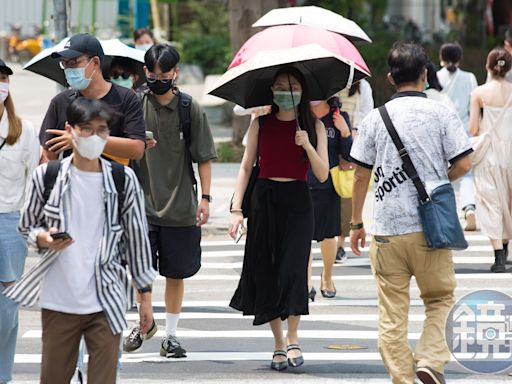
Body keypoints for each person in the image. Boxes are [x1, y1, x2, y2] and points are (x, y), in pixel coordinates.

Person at [3, 97, 156, 384]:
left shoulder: (123, 181)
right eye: (87, 129)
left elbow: (137, 243)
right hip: (59, 299)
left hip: (106, 298)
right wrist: (44, 238)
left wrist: (144, 298)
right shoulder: (47, 177)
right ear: (70, 130)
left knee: (103, 379)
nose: (95, 137)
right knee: (53, 378)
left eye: (102, 130)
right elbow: (27, 225)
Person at [350, 42, 472, 384]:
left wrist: (356, 222)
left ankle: (403, 379)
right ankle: (431, 361)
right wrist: (438, 181)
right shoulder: (442, 112)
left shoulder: (375, 118)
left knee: (392, 315)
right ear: (424, 75)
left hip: (387, 231)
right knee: (440, 298)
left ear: (390, 78)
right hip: (431, 229)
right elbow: (464, 162)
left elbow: (360, 173)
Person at [229, 66, 328, 371]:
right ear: (271, 91)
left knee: (294, 269)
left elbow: (323, 174)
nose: (288, 92)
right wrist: (236, 209)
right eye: (281, 86)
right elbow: (247, 166)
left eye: (294, 86)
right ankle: (278, 344)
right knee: (267, 269)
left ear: (303, 91)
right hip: (264, 200)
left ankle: (294, 334)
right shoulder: (260, 123)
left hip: (298, 200)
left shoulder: (314, 126)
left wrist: (307, 144)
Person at [123, 44, 217, 358]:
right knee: (141, 272)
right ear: (145, 72)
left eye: (164, 74)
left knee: (176, 273)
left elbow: (204, 158)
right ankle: (143, 323)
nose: (157, 78)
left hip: (180, 208)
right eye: (152, 73)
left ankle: (171, 336)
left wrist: (204, 198)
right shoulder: (134, 105)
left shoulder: (190, 109)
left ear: (175, 73)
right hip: (140, 208)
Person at [40, 33, 146, 166]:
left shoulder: (126, 98)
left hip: (115, 183)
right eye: (64, 64)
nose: (68, 70)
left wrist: (81, 139)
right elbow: (48, 155)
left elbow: (137, 149)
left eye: (74, 63)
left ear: (95, 62)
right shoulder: (60, 102)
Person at [0, 59, 39, 384]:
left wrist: (26, 224)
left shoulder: (23, 131)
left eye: (3, 79)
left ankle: (3, 375)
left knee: (7, 310)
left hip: (10, 222)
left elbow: (33, 182)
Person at [468, 47, 512, 273]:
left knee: (490, 201)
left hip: (490, 154)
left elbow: (473, 128)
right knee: (509, 202)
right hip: (511, 152)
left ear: (488, 66)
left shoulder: (479, 93)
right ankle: (506, 246)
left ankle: (498, 256)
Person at [307, 96, 352, 300]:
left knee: (327, 235)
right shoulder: (299, 116)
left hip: (328, 184)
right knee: (302, 235)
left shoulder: (338, 117)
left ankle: (327, 275)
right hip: (301, 182)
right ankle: (305, 281)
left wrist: (345, 132)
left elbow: (349, 155)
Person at [437, 42, 478, 231]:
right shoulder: (469, 78)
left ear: (441, 58)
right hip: (463, 131)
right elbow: (475, 104)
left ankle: (446, 213)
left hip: (442, 132)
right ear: (460, 59)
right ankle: (469, 207)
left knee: (443, 174)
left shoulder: (436, 77)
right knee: (466, 173)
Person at [335, 79, 373, 263]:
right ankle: (328, 240)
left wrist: (352, 151)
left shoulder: (362, 86)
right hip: (327, 142)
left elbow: (365, 117)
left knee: (346, 199)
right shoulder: (327, 81)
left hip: (351, 142)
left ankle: (339, 244)